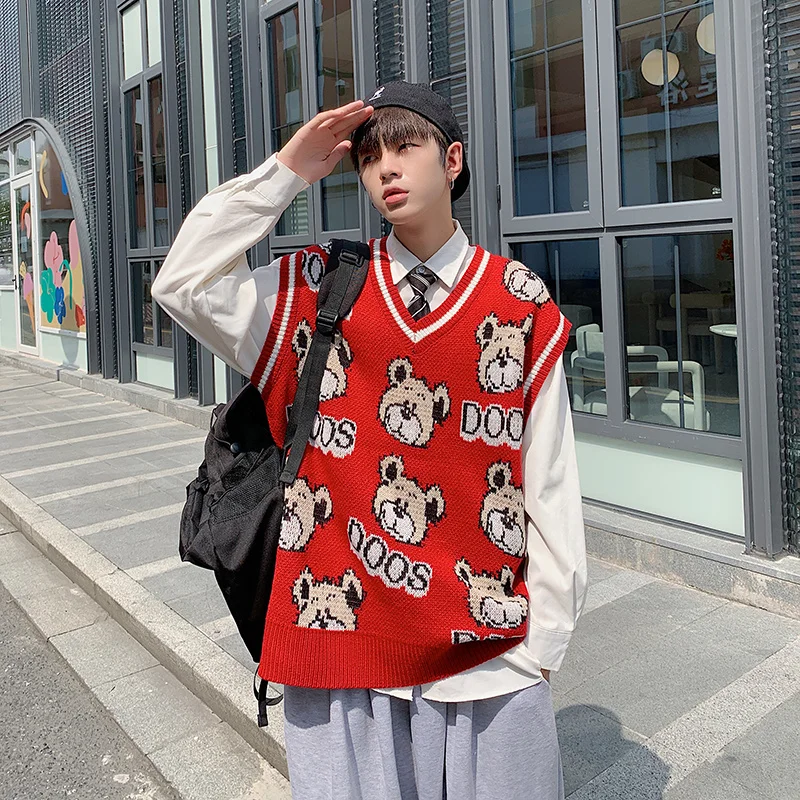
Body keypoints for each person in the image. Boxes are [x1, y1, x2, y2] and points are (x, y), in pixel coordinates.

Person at [152, 81, 587, 800]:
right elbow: (184, 283)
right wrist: (286, 173)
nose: (385, 168)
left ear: (451, 161)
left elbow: (549, 479)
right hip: (340, 654)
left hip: (486, 658)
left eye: (405, 148)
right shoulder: (322, 289)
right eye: (368, 157)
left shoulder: (517, 301)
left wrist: (543, 645)